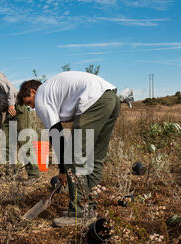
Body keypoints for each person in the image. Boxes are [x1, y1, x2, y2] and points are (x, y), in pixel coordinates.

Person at [17, 71, 131, 227]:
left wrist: (63, 170)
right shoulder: (53, 88)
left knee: (72, 156)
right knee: (95, 158)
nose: (32, 107)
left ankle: (78, 213)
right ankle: (89, 206)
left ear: (33, 91)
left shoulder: (42, 96)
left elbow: (56, 134)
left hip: (94, 101)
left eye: (29, 102)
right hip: (111, 99)